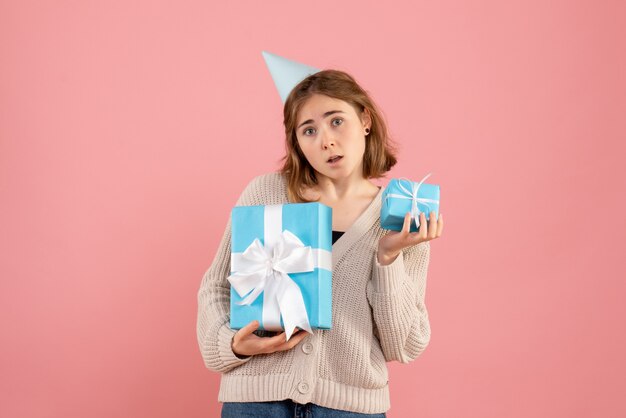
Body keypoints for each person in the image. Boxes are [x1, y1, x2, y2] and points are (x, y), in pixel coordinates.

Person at [196, 68, 444, 418]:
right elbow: (215, 287)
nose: (326, 140)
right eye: (308, 130)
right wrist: (232, 344)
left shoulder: (401, 219)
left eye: (336, 121)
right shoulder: (266, 194)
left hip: (349, 410)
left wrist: (388, 258)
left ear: (365, 120)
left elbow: (404, 345)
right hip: (255, 403)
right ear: (297, 142)